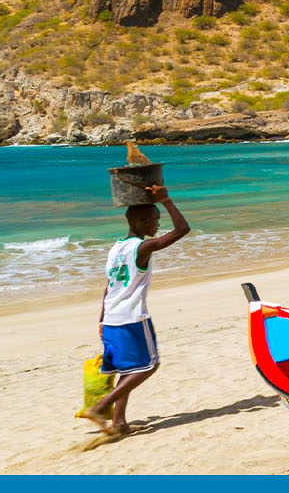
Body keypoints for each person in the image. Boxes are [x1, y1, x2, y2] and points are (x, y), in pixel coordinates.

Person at [80, 184, 191, 436]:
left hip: (111, 318)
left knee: (128, 370)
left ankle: (119, 423)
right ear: (141, 222)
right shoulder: (141, 248)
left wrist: (101, 320)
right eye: (155, 221)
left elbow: (108, 286)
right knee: (148, 366)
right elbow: (182, 230)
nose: (157, 226)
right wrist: (166, 200)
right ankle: (100, 407)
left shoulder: (115, 249)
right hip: (132, 318)